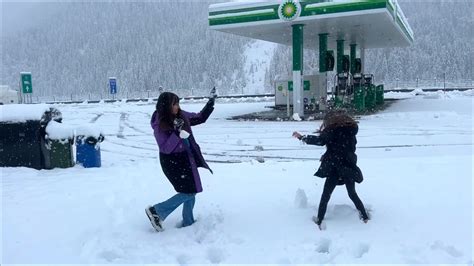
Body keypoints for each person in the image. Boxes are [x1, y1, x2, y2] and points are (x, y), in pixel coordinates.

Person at [146, 88, 217, 231]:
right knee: (189, 191)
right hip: (172, 162)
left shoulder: (181, 116)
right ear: (166, 106)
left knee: (193, 189)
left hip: (186, 158)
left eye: (178, 103)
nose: (177, 106)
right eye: (174, 104)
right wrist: (177, 133)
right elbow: (165, 148)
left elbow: (199, 118)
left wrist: (210, 103)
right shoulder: (160, 123)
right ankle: (157, 211)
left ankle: (188, 221)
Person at [292, 110, 369, 228]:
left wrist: (302, 137)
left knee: (326, 195)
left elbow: (320, 141)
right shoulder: (351, 130)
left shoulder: (332, 130)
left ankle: (319, 219)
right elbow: (347, 148)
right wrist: (329, 154)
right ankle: (364, 217)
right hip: (348, 166)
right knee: (352, 193)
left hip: (335, 166)